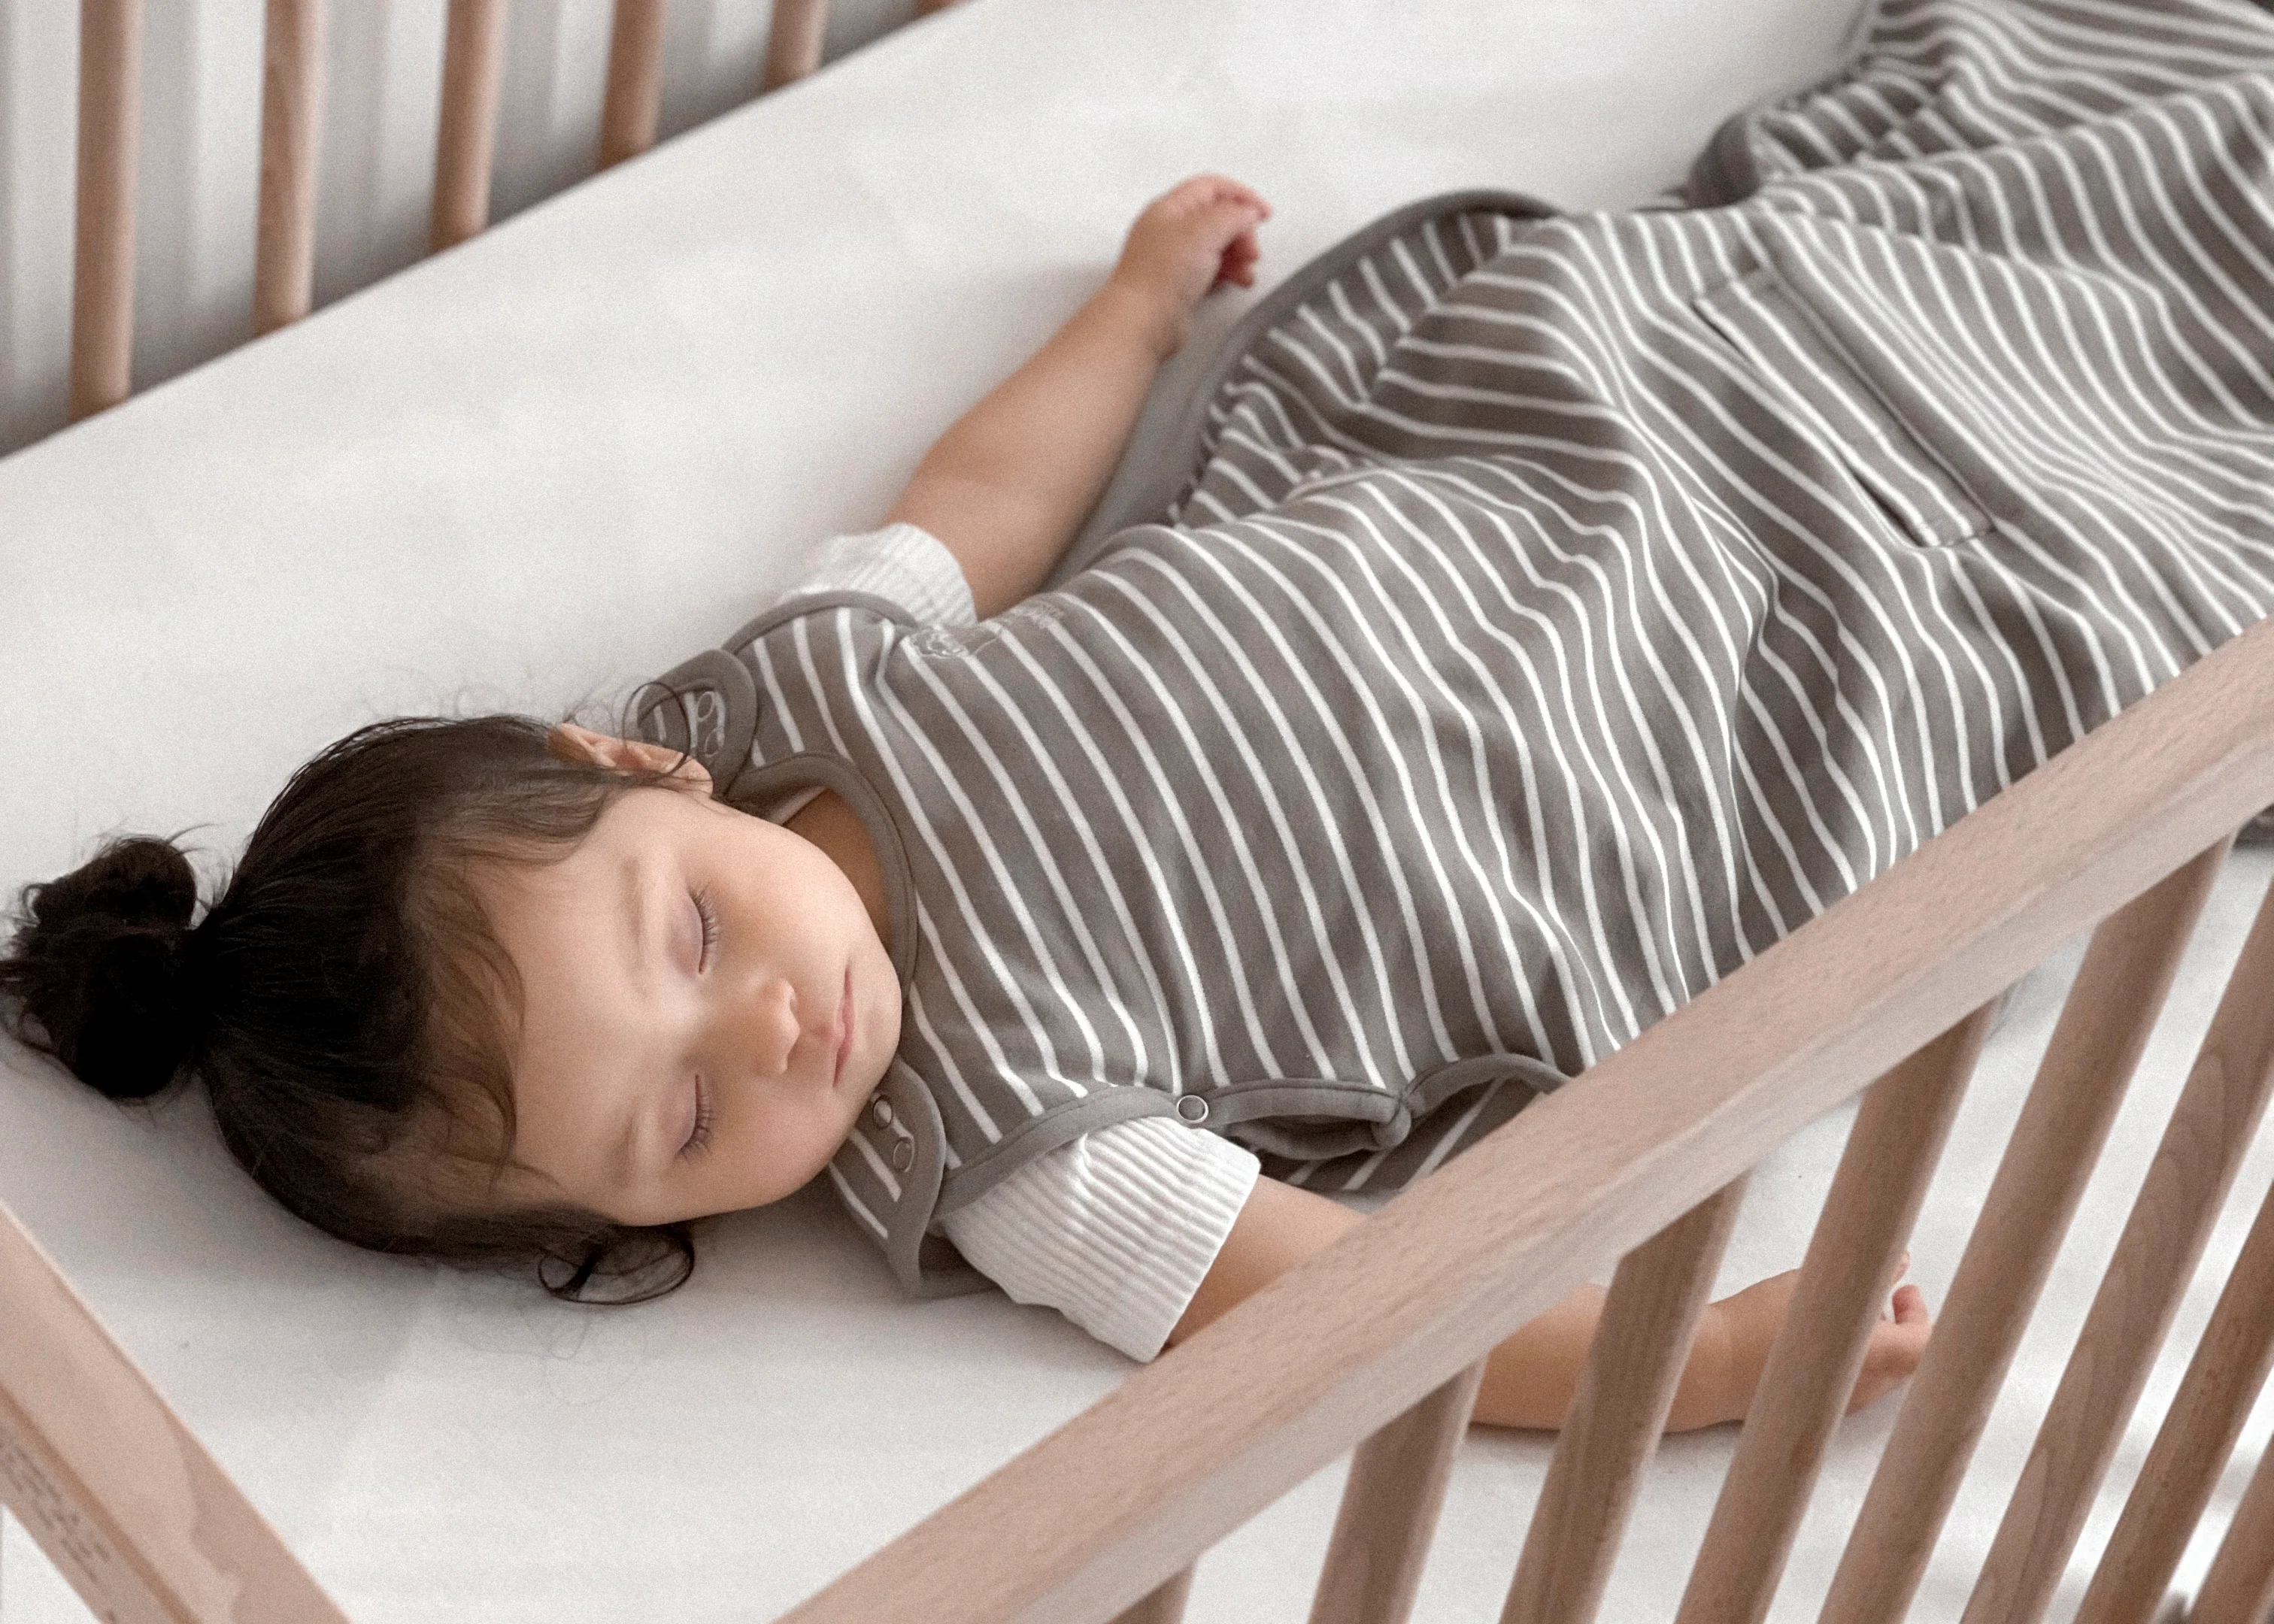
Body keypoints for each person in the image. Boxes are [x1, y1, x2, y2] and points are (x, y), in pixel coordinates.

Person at [1, 174, 1930, 1433]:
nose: (767, 1032)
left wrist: (1135, 310)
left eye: (687, 929)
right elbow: (1360, 1303)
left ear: (628, 764)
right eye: (681, 1124)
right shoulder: (1012, 1156)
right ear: (628, 1232)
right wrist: (1703, 1373)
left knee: (1626, 308)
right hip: (1620, 770)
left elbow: (990, 504)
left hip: (1464, 529)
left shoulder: (795, 693)